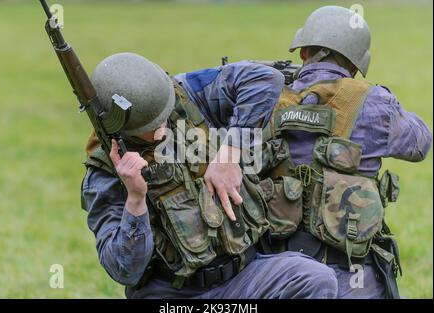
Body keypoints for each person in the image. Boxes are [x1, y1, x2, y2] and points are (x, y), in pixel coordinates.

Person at [81, 52, 338, 299]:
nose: (162, 128)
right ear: (122, 128)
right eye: (150, 126)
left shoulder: (185, 96)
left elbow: (265, 78)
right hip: (172, 291)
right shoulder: (103, 173)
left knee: (315, 279)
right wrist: (135, 199)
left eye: (163, 116)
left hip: (244, 275)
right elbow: (123, 269)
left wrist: (230, 153)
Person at [257, 5, 432, 299]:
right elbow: (421, 143)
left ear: (303, 52)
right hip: (351, 275)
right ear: (355, 66)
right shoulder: (372, 100)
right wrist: (384, 100)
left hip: (276, 275)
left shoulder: (266, 97)